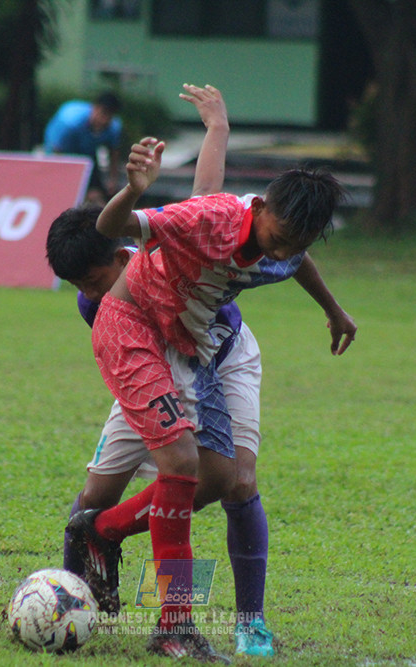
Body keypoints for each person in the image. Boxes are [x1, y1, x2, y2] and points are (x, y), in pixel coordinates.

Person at [68, 84, 357, 661]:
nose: (282, 253)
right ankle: (84, 585)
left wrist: (332, 308)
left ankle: (219, 618)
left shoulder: (284, 237)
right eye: (279, 238)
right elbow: (124, 225)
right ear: (263, 208)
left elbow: (286, 254)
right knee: (124, 486)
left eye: (296, 244)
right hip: (150, 342)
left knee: (230, 480)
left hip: (213, 350)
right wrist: (133, 188)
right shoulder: (206, 225)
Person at [47, 84, 276, 657]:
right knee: (100, 494)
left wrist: (217, 130)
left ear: (123, 256)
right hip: (154, 368)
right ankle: (73, 597)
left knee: (228, 483)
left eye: (95, 283)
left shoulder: (165, 243)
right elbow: (129, 353)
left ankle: (241, 621)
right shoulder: (98, 306)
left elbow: (207, 197)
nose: (90, 298)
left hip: (220, 357)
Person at [44, 91, 123, 205]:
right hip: (62, 149)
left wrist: (113, 179)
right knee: (67, 188)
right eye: (103, 113)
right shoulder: (70, 123)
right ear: (94, 108)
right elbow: (57, 151)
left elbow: (114, 152)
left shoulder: (113, 127)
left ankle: (100, 216)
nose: (105, 120)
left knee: (94, 190)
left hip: (87, 152)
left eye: (109, 116)